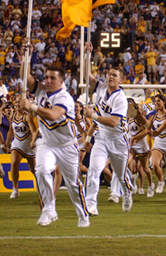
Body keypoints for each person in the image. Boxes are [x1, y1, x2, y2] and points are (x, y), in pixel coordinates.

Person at [20, 65, 89, 227]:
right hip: (46, 142)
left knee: (73, 184)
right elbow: (26, 76)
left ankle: (83, 214)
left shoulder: (65, 98)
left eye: (53, 78)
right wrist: (25, 57)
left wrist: (32, 107)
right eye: (46, 77)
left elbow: (52, 115)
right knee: (41, 171)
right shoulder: (41, 90)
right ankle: (49, 210)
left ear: (61, 81)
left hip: (67, 145)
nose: (48, 81)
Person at [84, 63, 133, 216]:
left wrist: (92, 115)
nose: (111, 77)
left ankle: (126, 192)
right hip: (101, 137)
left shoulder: (121, 99)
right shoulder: (101, 87)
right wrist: (88, 54)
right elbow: (87, 75)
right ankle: (91, 204)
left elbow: (113, 122)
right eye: (109, 74)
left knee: (120, 175)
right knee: (94, 169)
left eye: (115, 75)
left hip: (118, 139)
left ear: (121, 80)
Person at [4, 95, 38, 199]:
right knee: (14, 163)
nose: (18, 104)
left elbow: (32, 129)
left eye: (20, 102)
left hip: (28, 145)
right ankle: (15, 189)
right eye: (16, 102)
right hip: (17, 143)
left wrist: (33, 141)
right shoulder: (13, 115)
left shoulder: (28, 116)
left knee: (34, 170)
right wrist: (6, 144)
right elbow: (11, 130)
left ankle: (43, 185)